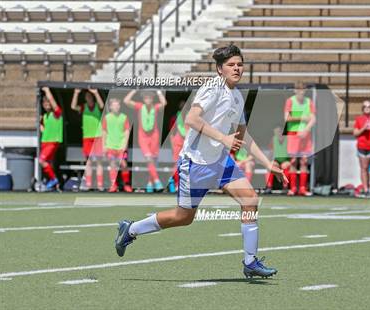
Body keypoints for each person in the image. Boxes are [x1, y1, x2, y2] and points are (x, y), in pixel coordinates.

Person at [114, 44, 288, 279]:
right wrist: (223, 138)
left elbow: (243, 135)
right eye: (231, 65)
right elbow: (192, 119)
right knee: (183, 217)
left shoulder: (236, 96)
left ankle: (250, 262)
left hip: (220, 162)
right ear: (219, 69)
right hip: (196, 163)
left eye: (239, 64)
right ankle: (131, 229)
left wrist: (267, 164)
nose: (237, 68)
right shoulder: (212, 88)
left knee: (250, 200)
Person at [124, 89, 167, 192]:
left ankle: (149, 183)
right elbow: (126, 101)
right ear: (143, 99)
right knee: (149, 159)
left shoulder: (155, 107)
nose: (148, 99)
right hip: (143, 137)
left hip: (154, 136)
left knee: (152, 161)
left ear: (152, 99)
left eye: (150, 97)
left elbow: (164, 103)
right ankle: (156, 181)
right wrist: (134, 90)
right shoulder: (139, 106)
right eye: (146, 97)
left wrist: (159, 92)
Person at [284, 82, 316, 196]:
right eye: (298, 89)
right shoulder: (290, 101)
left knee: (304, 161)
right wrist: (301, 117)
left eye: (303, 89)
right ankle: (292, 189)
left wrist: (306, 130)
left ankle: (302, 188)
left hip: (305, 135)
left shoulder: (309, 102)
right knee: (293, 161)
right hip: (293, 134)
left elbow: (313, 119)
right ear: (295, 90)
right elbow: (287, 118)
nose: (300, 91)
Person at [71, 88, 105, 191]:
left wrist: (96, 92)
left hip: (98, 137)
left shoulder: (97, 106)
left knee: (99, 162)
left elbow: (102, 105)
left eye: (90, 96)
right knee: (89, 162)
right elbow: (73, 106)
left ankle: (100, 184)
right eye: (87, 96)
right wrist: (76, 93)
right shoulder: (83, 107)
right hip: (87, 138)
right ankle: (89, 183)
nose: (88, 97)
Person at [102, 98, 132, 193]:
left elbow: (127, 131)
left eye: (117, 105)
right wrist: (104, 145)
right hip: (110, 146)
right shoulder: (107, 118)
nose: (116, 107)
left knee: (124, 164)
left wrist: (125, 144)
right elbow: (104, 132)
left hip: (121, 146)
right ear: (110, 107)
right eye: (114, 105)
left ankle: (126, 184)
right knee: (113, 165)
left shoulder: (124, 117)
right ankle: (113, 185)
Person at [353, 100, 370, 198]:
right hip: (361, 145)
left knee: (366, 168)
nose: (367, 108)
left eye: (369, 106)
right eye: (365, 106)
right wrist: (363, 128)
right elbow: (355, 133)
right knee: (363, 168)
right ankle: (365, 189)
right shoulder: (359, 119)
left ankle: (367, 187)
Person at [39, 86, 63, 190]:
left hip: (52, 142)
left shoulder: (56, 113)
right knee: (48, 163)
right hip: (45, 142)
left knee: (42, 161)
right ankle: (55, 184)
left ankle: (54, 179)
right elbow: (44, 130)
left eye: (49, 103)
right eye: (45, 103)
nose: (47, 105)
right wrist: (40, 125)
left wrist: (47, 91)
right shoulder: (45, 116)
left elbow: (53, 102)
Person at [168, 99, 188, 193]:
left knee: (187, 165)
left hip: (187, 144)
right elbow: (172, 133)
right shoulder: (175, 118)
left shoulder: (190, 117)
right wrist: (173, 145)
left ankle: (185, 185)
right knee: (176, 164)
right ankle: (175, 184)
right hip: (177, 144)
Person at [264, 128, 291, 194]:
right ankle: (269, 186)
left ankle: (285, 187)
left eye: (280, 131)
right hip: (276, 160)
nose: (279, 133)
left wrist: (290, 160)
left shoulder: (288, 139)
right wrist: (269, 161)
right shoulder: (273, 139)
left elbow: (292, 151)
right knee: (271, 166)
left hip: (286, 160)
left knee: (285, 166)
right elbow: (271, 151)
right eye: (277, 132)